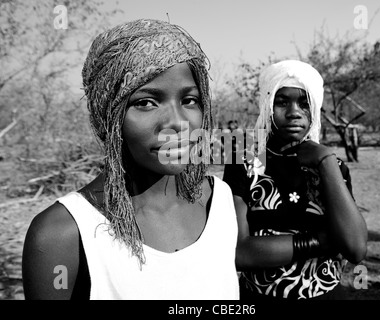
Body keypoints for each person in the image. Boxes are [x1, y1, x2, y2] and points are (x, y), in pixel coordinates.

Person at [22, 19, 239, 300]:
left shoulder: (219, 200)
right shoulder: (61, 235)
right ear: (109, 117)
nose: (178, 122)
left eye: (189, 101)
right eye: (145, 102)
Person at [223, 60, 367, 300]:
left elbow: (355, 248)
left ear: (316, 108)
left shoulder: (333, 166)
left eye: (304, 103)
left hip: (326, 294)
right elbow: (240, 253)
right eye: (281, 102)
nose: (293, 113)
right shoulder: (244, 163)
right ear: (266, 105)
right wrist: (322, 241)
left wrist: (325, 162)